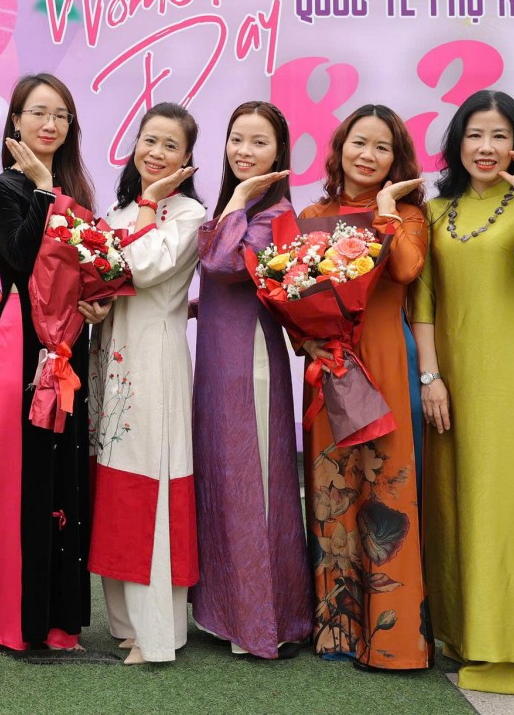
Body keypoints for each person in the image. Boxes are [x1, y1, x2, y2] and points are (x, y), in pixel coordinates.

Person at [411, 89, 514, 695]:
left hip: (509, 384)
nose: (486, 147)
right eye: (475, 134)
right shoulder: (435, 211)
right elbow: (422, 302)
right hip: (450, 383)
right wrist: (431, 378)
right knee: (457, 505)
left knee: (509, 506)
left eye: (499, 136)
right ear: (458, 141)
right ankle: (467, 639)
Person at [0, 74, 108, 656]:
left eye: (61, 115)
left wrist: (99, 300)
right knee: (12, 467)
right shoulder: (1, 189)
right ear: (16, 122)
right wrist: (45, 194)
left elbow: (87, 268)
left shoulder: (78, 190)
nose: (50, 124)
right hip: (21, 337)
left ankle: (56, 621)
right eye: (39, 113)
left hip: (69, 340)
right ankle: (1, 618)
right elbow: (20, 261)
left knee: (61, 469)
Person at [298, 104, 431, 669]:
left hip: (386, 359)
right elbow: (293, 288)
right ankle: (337, 632)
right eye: (359, 142)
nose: (368, 155)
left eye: (382, 147)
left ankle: (393, 641)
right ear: (340, 148)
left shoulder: (408, 215)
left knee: (388, 491)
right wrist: (304, 340)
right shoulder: (312, 214)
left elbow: (404, 271)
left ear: (396, 160)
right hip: (332, 363)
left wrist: (385, 210)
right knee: (332, 488)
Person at [191, 101, 310, 660]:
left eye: (259, 142)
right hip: (219, 360)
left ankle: (265, 620)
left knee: (251, 481)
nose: (244, 150)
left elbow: (222, 265)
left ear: (279, 152)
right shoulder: (237, 207)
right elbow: (221, 283)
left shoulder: (275, 212)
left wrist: (237, 200)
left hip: (251, 363)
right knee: (223, 478)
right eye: (237, 138)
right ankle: (229, 612)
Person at [88, 102, 206, 666]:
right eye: (149, 140)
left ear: (187, 159)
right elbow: (103, 277)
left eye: (170, 145)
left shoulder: (188, 214)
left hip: (155, 360)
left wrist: (150, 204)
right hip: (113, 354)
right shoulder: (117, 211)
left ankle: (158, 633)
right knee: (116, 483)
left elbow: (141, 267)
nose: (156, 153)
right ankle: (125, 623)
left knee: (152, 486)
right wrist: (89, 302)